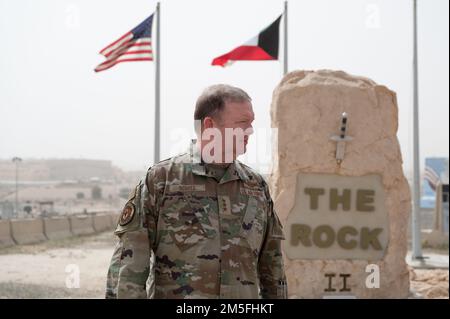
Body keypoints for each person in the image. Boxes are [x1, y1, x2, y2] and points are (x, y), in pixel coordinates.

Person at [106, 84, 287, 299]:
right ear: (210, 125)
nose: (250, 131)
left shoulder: (256, 186)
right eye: (242, 123)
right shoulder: (161, 181)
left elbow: (272, 268)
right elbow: (128, 270)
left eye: (251, 123)